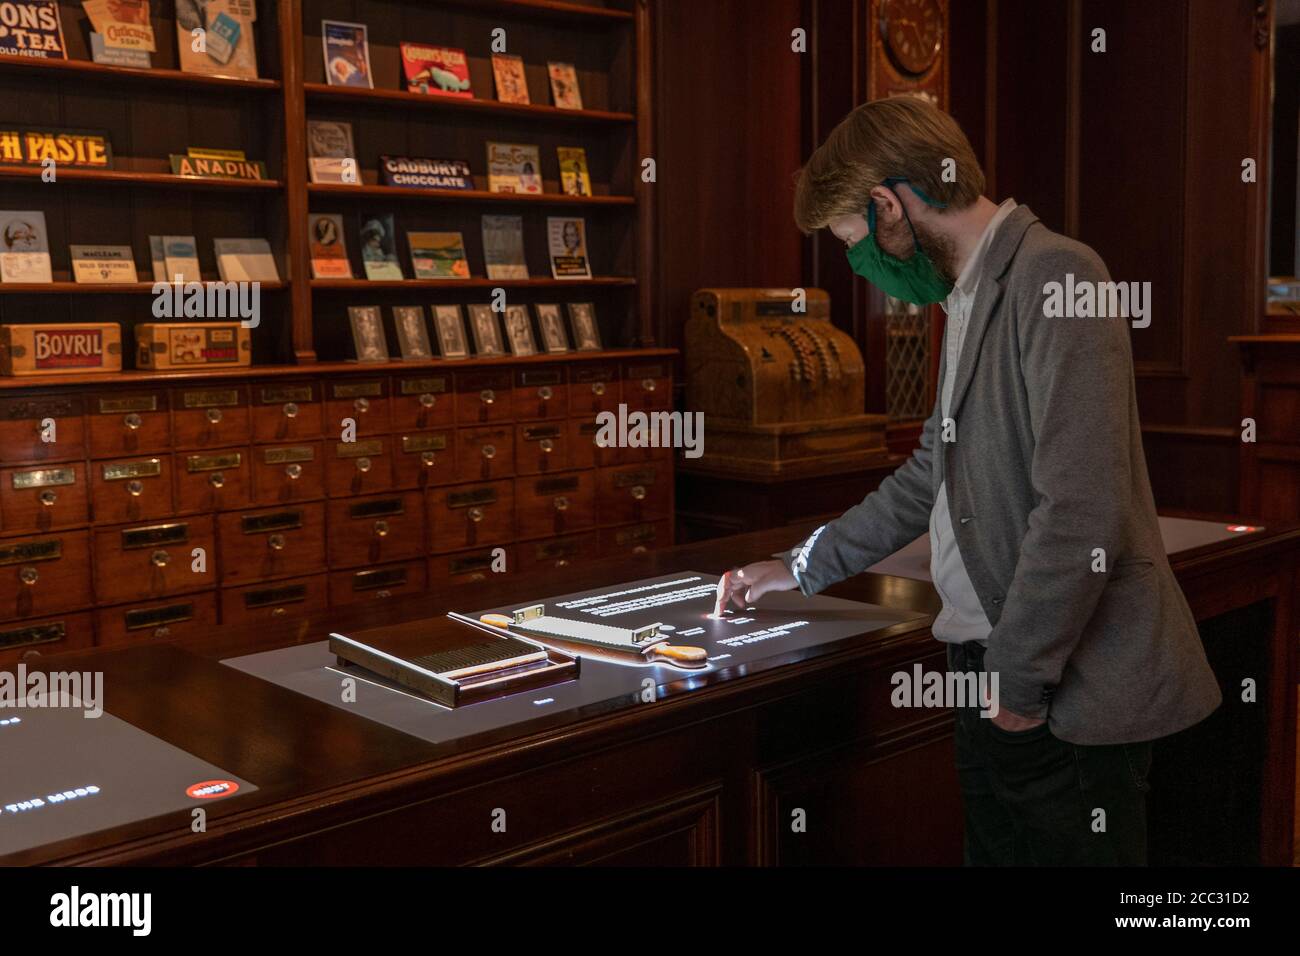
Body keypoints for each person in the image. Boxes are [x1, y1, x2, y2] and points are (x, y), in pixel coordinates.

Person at [715, 95, 1221, 866]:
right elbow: (929, 475)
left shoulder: (1057, 273)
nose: (866, 265)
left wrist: (1016, 689)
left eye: (857, 241)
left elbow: (1082, 509)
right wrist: (801, 564)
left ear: (889, 203)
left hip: (1054, 693)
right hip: (988, 673)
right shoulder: (971, 292)